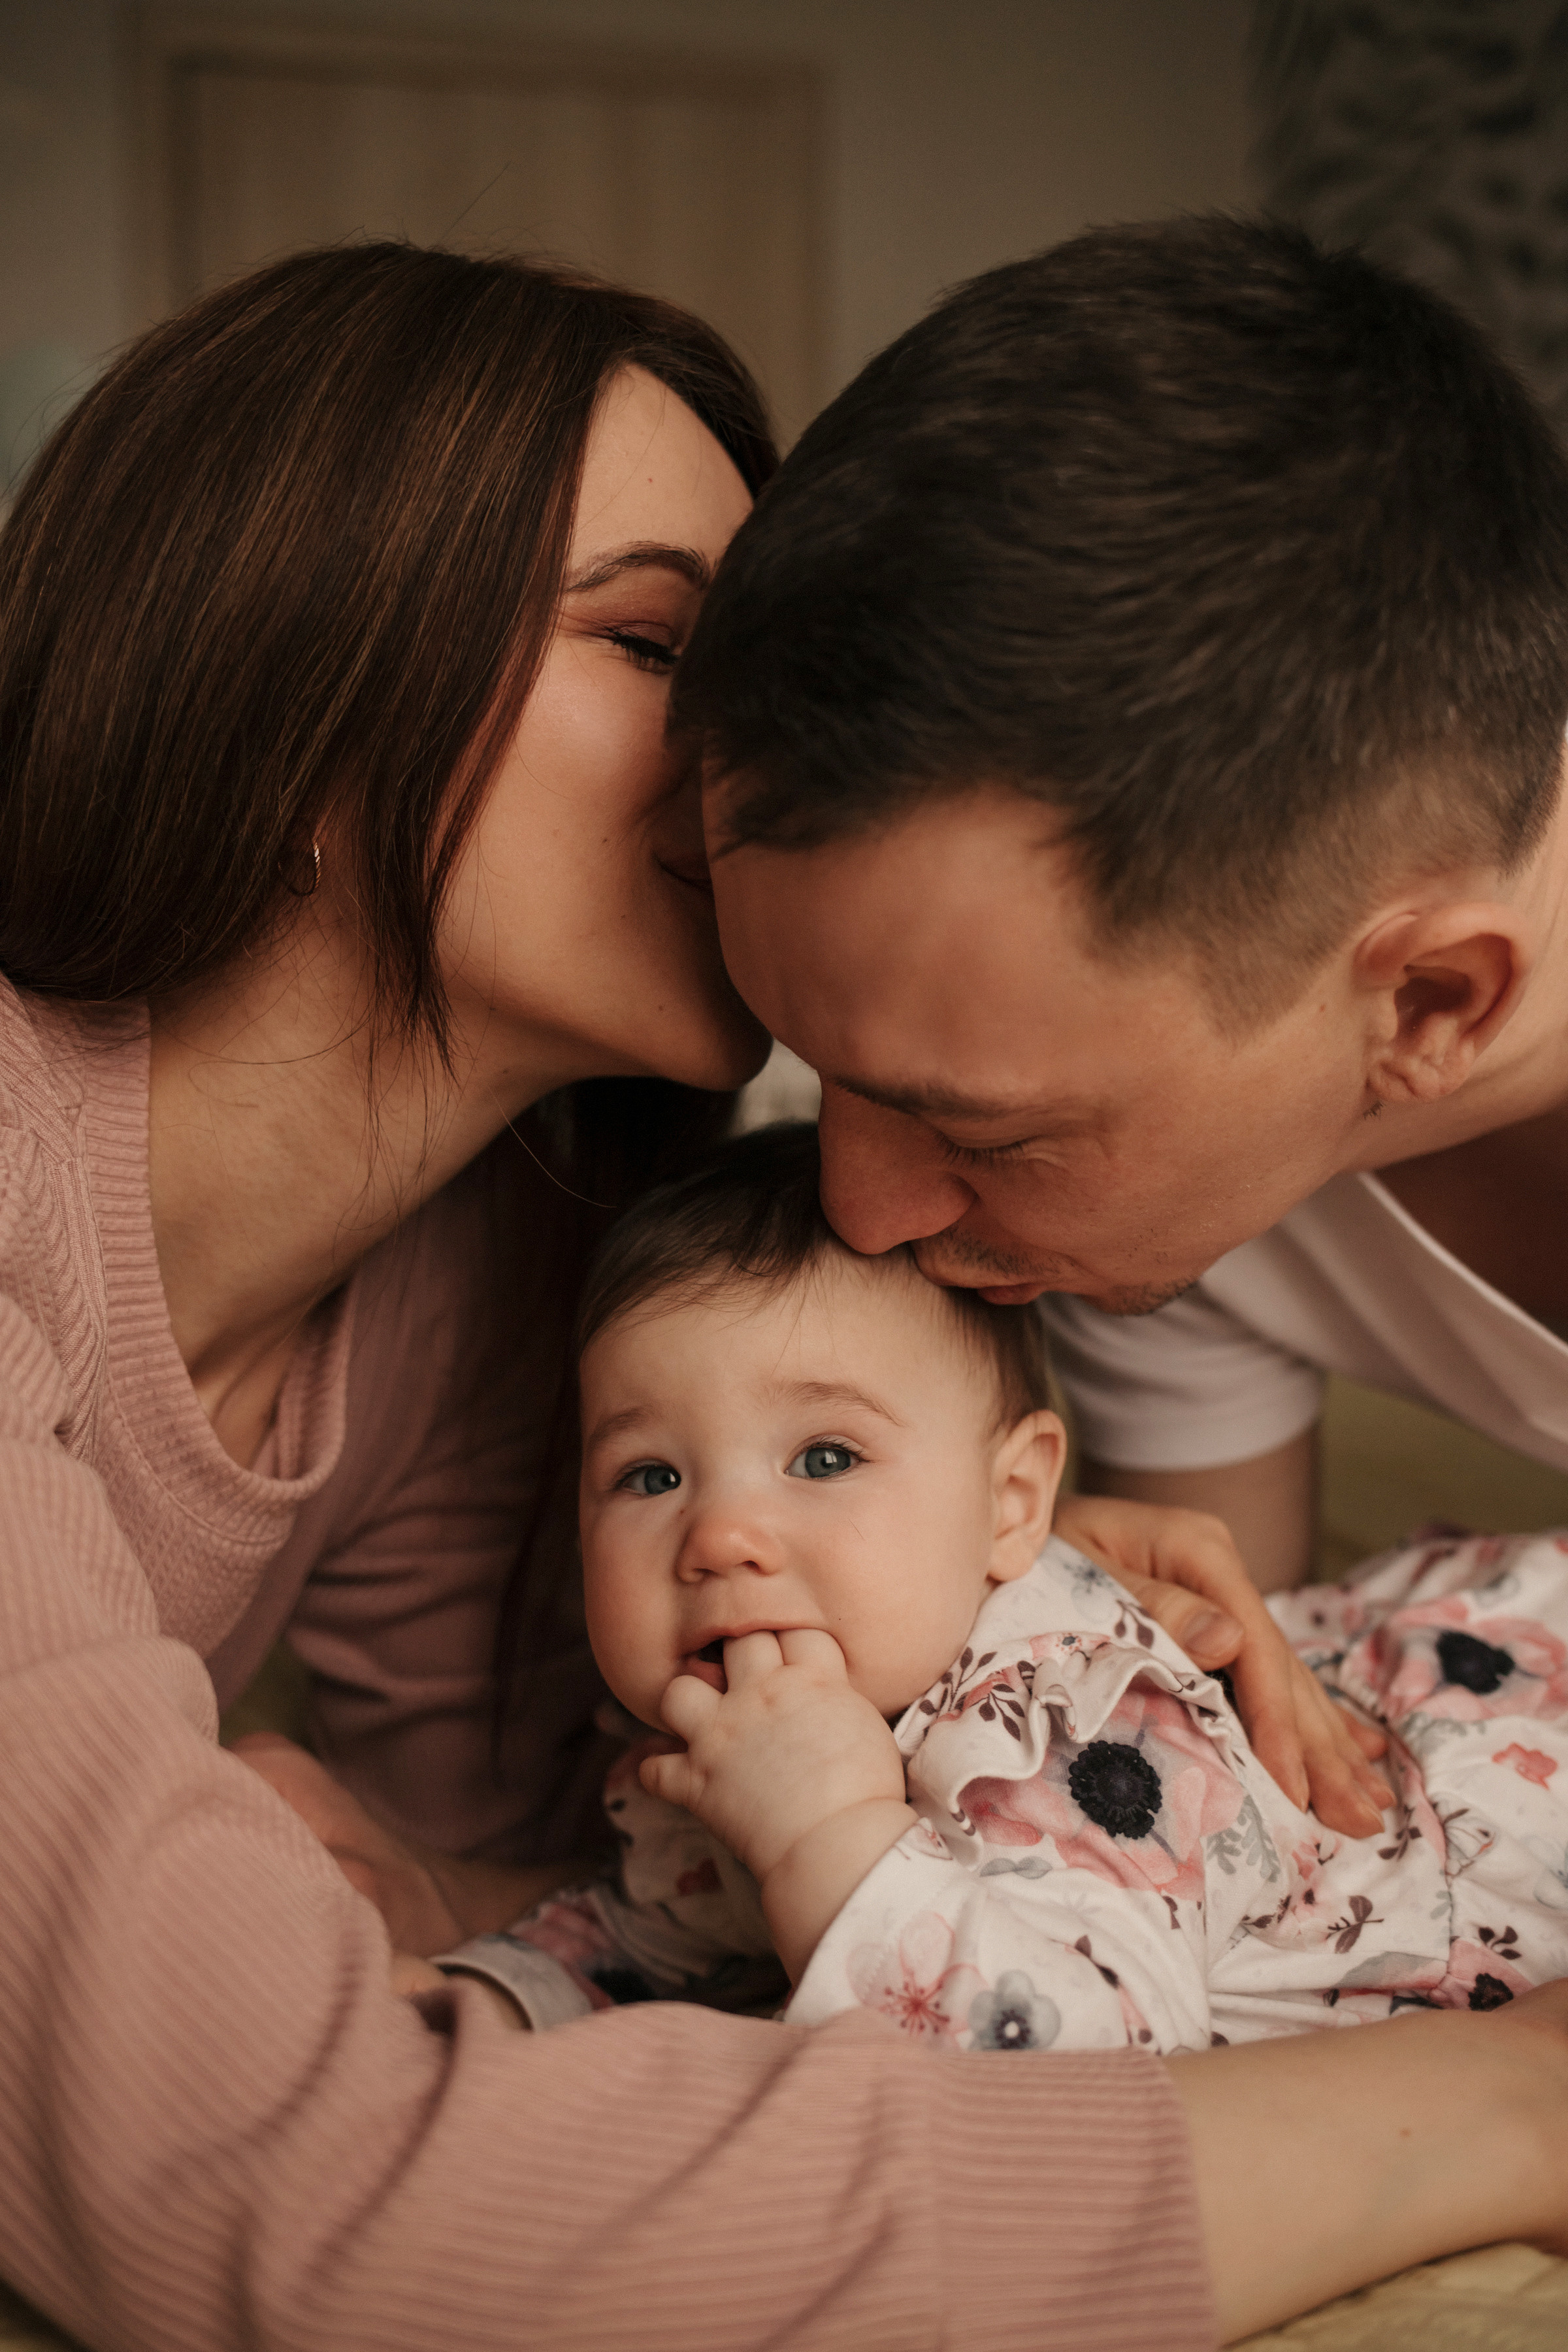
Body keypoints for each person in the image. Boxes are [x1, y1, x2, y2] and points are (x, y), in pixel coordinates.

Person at [0, 232, 1564, 2352]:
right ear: (281, 666)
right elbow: (307, 2184)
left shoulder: (492, 1289)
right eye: (660, 643)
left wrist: (955, 1603)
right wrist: (1496, 2107)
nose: (756, 761)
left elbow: (646, 1891)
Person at [676, 214, 1568, 1609]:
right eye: (824, 1074)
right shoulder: (1175, 1212)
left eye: (989, 1135)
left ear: (1434, 1000)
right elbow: (1224, 1715)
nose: (860, 1212)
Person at [445, 1124, 1565, 2057]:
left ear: (1015, 1502)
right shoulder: (746, 1737)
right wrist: (493, 2004)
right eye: (649, 1475)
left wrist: (827, 1837)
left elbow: (1083, 2070)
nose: (722, 1536)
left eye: (825, 1458)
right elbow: (662, 1930)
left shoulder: (1069, 1743)